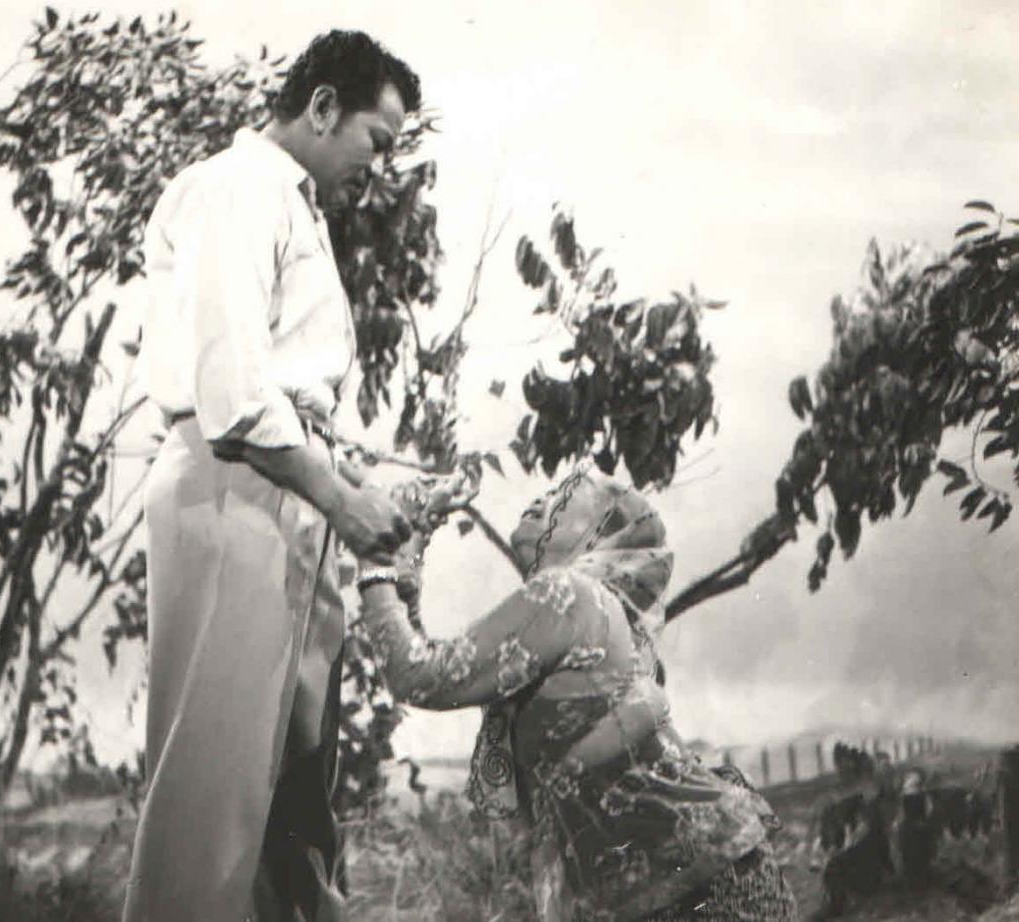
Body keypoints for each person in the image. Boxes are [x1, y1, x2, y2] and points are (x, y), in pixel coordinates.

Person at [123, 30, 421, 922]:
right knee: (215, 805)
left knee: (293, 799)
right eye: (377, 140)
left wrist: (348, 483)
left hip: (288, 495)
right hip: (233, 490)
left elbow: (289, 386)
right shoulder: (236, 188)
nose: (380, 168)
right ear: (323, 106)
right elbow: (235, 394)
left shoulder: (296, 208)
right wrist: (340, 498)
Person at [355, 464, 798, 921]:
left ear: (600, 534)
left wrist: (373, 558)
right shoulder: (589, 614)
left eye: (563, 496)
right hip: (697, 880)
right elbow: (421, 664)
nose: (540, 500)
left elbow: (418, 675)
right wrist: (404, 544)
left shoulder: (568, 593)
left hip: (702, 889)